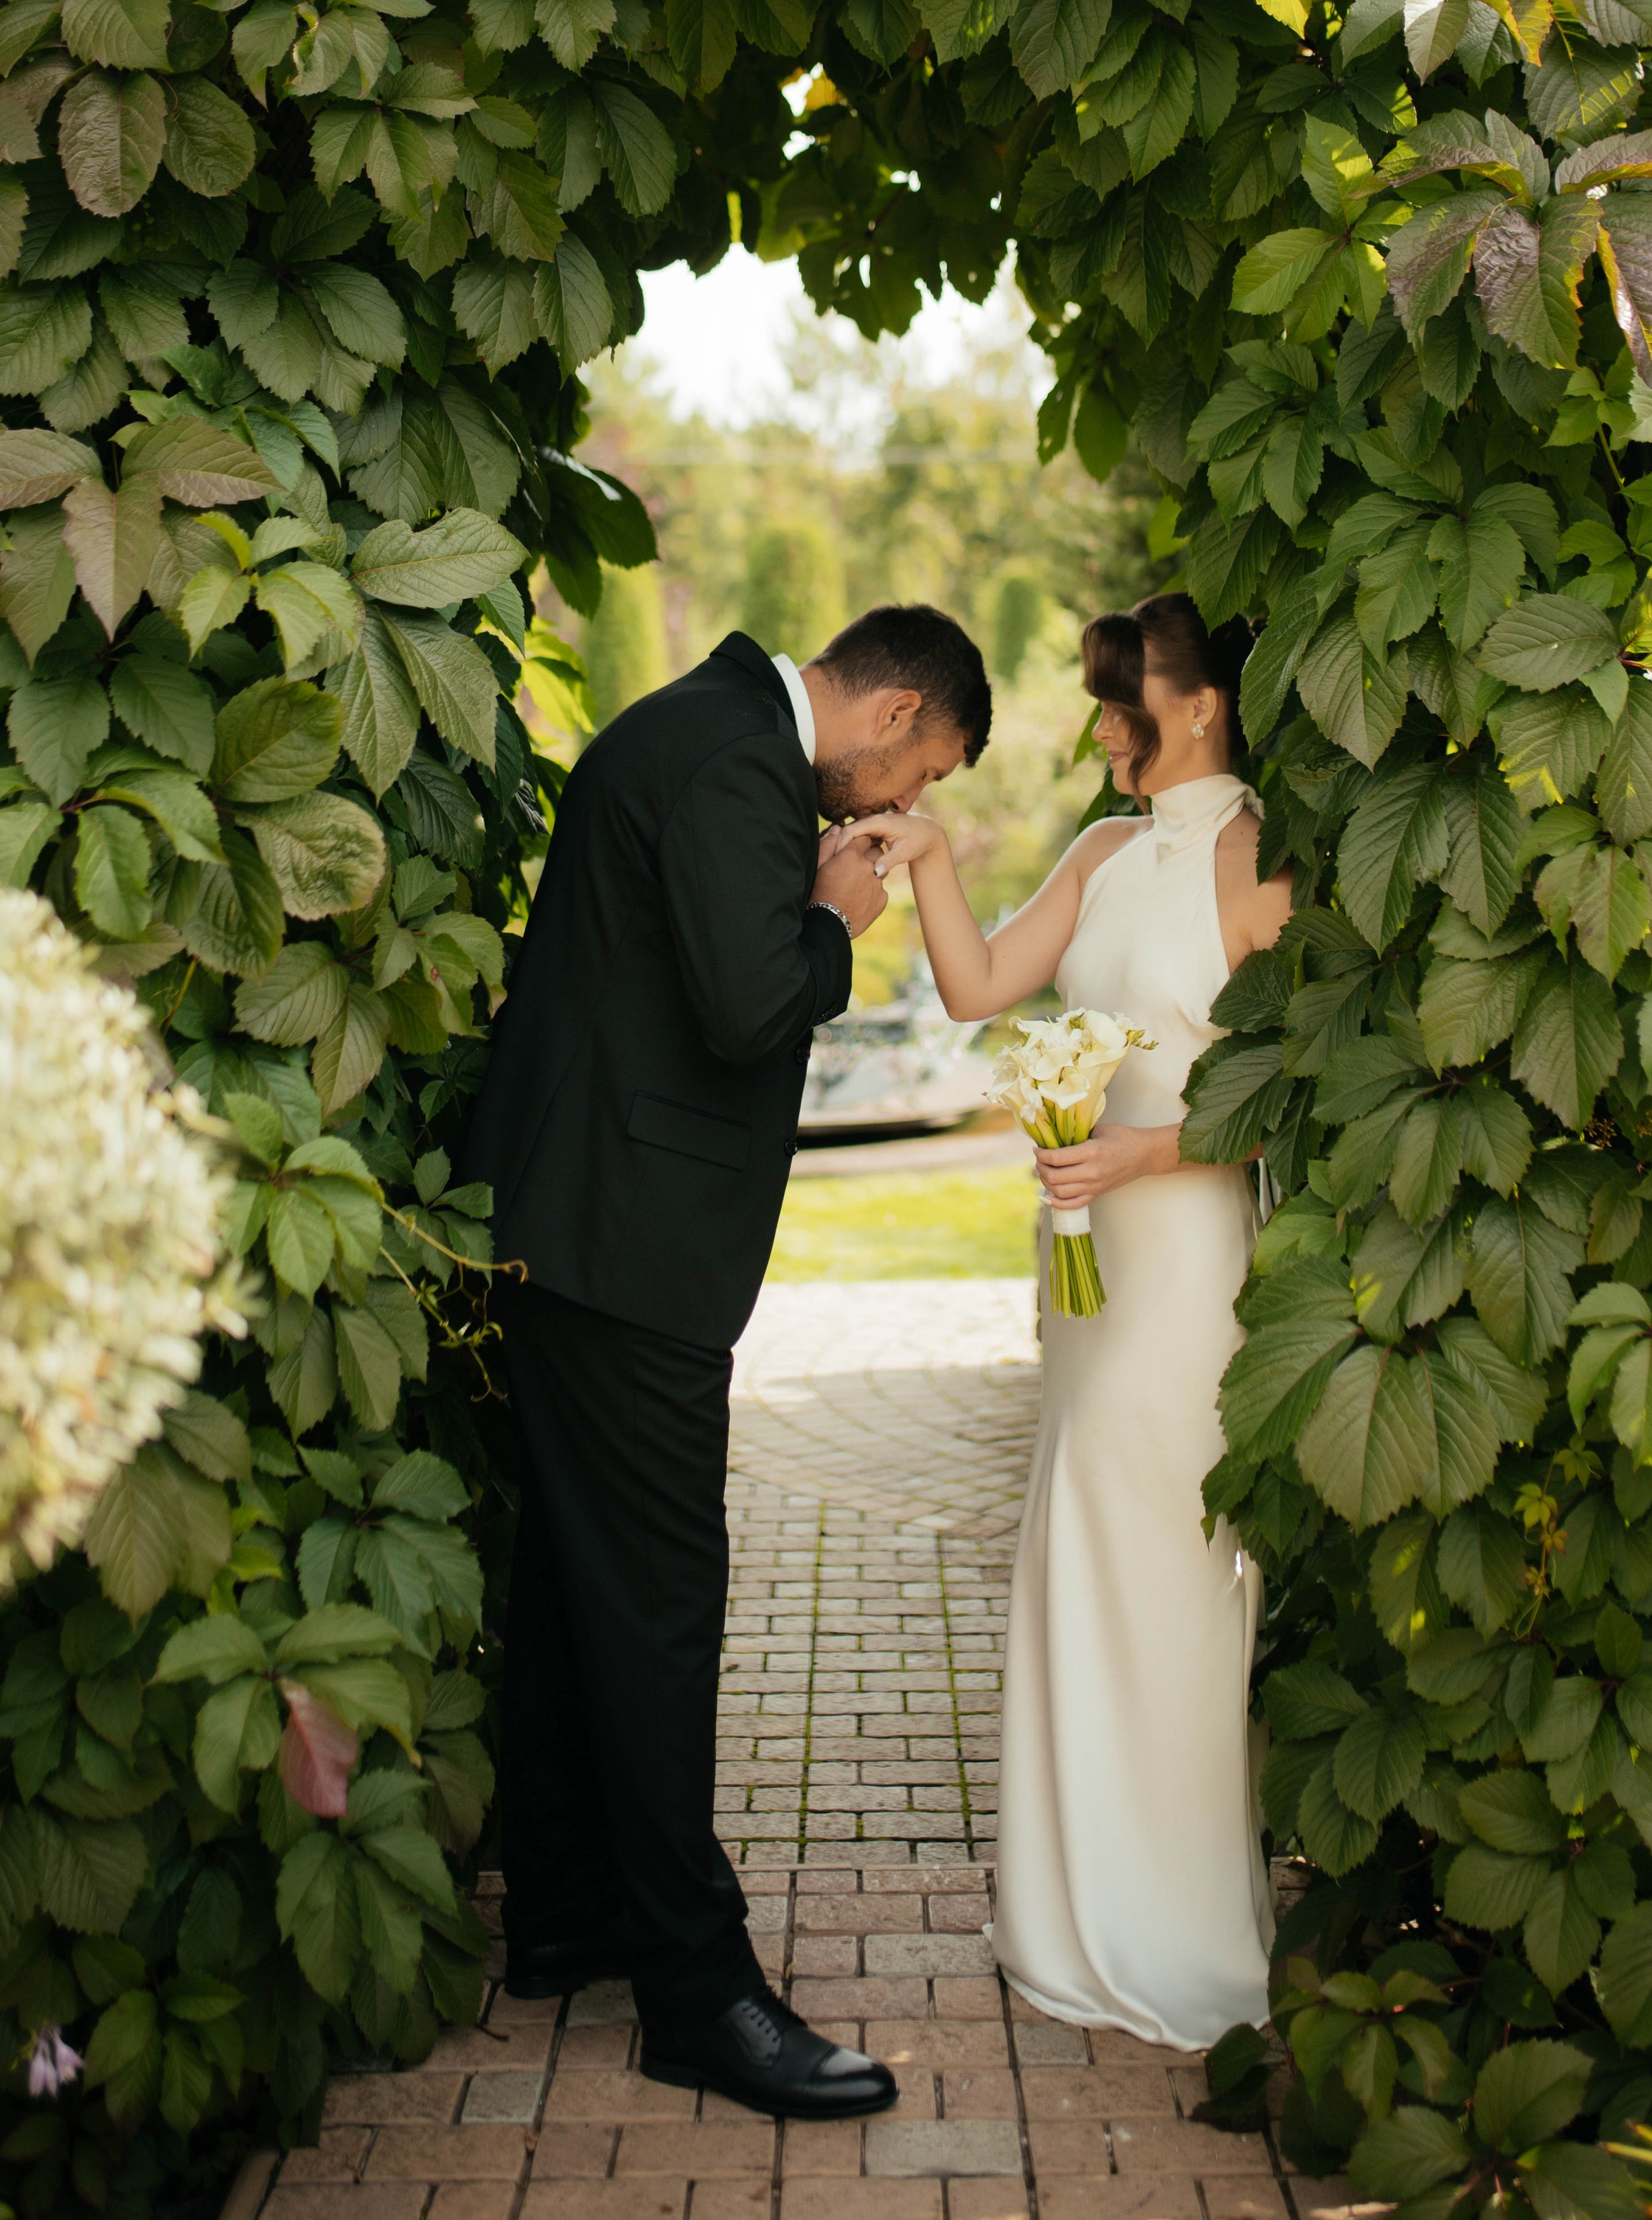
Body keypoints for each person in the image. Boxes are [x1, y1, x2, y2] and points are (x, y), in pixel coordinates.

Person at [462, 606, 991, 2117]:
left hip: (574, 1233)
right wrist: (837, 920)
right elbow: (750, 1000)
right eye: (920, 775)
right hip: (623, 1249)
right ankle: (699, 1999)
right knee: (658, 1609)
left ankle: (563, 1919)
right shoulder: (741, 763)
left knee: (571, 1593)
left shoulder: (700, 732)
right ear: (894, 712)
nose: (904, 803)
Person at [842, 592, 1291, 2050]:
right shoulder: (1102, 853)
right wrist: (927, 856)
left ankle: (1178, 1919)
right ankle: (1067, 1909)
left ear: (1201, 707)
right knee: (1080, 1556)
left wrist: (1143, 1153)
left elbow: (1290, 1089)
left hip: (1187, 1272)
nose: (1103, 732)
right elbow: (977, 986)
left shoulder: (1262, 864)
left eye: (1122, 705)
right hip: (1088, 1271)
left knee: (1174, 1571)